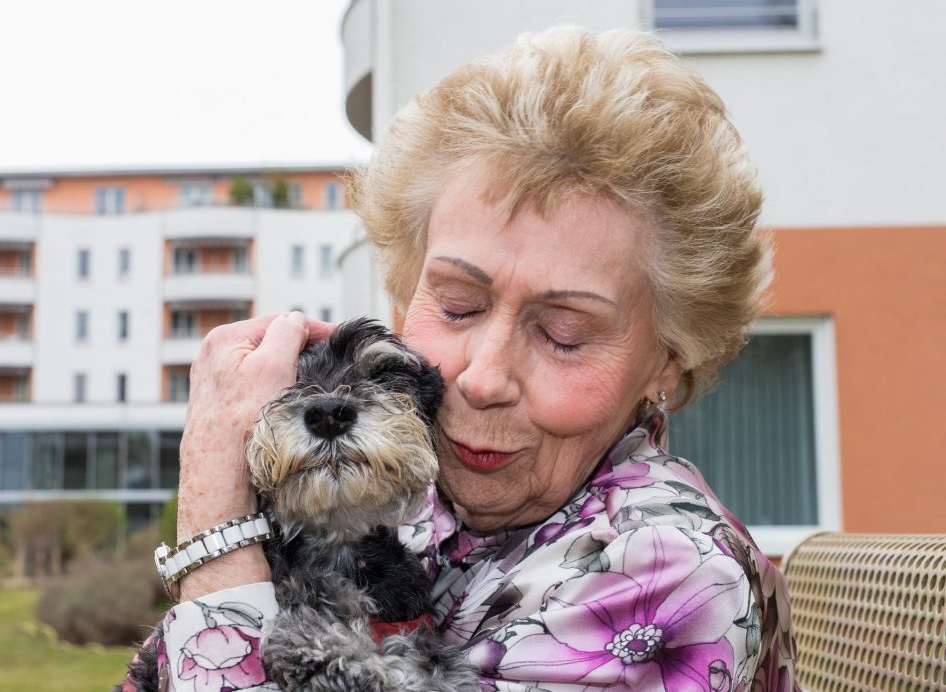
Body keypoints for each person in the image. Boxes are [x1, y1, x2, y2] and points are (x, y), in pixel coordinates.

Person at [149, 27, 798, 691]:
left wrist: (216, 529)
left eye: (564, 334)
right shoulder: (422, 504)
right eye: (457, 305)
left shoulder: (665, 571)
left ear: (669, 359)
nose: (483, 379)